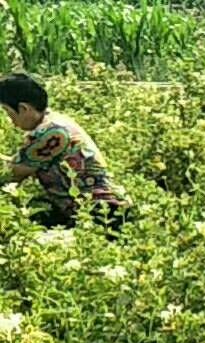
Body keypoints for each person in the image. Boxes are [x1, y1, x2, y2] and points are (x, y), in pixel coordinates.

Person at [0, 73, 130, 233]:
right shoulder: (54, 123)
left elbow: (12, 174)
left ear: (23, 108)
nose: (11, 121)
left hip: (101, 212)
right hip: (94, 211)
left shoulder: (50, 133)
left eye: (8, 113)